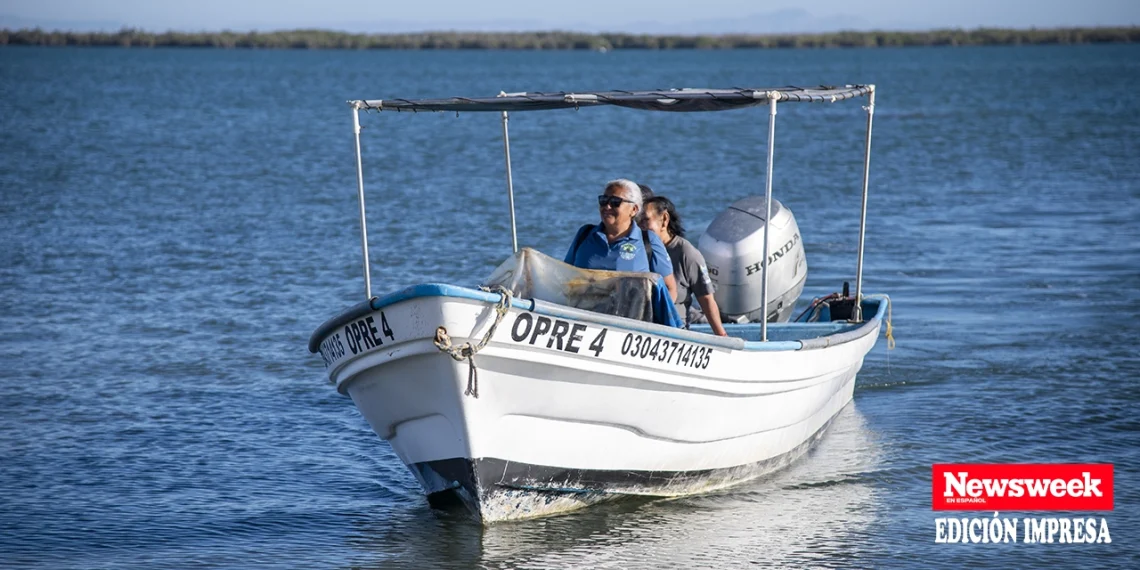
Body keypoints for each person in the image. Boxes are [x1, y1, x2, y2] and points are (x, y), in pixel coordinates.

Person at [564, 179, 678, 303]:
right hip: (584, 315)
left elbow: (669, 288)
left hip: (630, 319)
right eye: (603, 201)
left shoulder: (648, 241)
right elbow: (564, 276)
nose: (607, 206)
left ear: (634, 209)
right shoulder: (584, 234)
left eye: (615, 202)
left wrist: (655, 319)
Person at [640, 196, 729, 337]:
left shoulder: (686, 253)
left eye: (645, 220)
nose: (640, 226)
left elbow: (706, 299)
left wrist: (722, 336)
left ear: (664, 219)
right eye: (637, 221)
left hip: (675, 332)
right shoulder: (637, 250)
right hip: (641, 328)